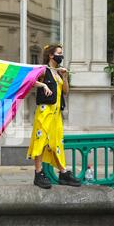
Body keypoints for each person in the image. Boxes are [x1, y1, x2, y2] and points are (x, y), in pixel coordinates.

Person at [27, 44, 81, 189]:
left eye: (61, 53)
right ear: (51, 55)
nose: (61, 56)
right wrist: (43, 86)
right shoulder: (44, 70)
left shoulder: (57, 72)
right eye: (59, 53)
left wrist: (65, 76)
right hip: (45, 111)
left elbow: (65, 91)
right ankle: (38, 174)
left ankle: (63, 173)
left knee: (57, 142)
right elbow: (30, 81)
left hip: (56, 113)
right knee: (41, 141)